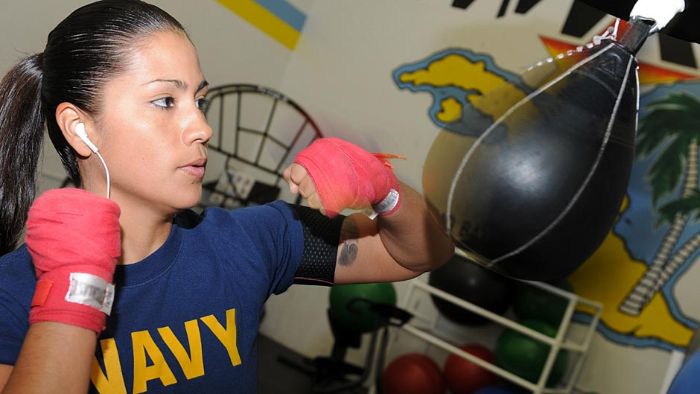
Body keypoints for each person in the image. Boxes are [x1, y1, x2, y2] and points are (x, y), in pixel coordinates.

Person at [0, 1, 454, 393]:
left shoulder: (249, 241)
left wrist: (385, 189)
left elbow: (418, 254)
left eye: (200, 101)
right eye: (164, 101)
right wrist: (73, 293)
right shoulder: (11, 292)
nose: (203, 128)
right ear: (80, 128)